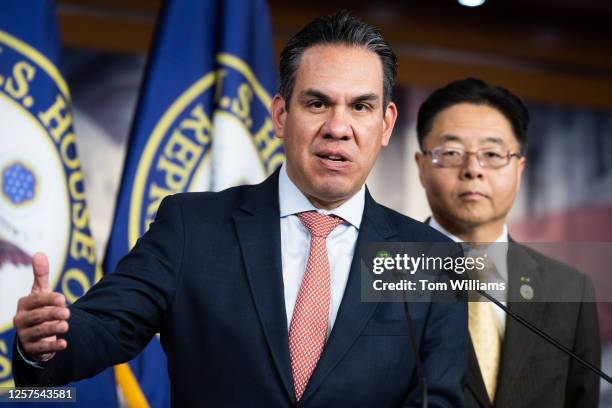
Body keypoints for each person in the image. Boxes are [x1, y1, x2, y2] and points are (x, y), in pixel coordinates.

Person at [12, 13, 468, 407]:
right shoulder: (192, 228)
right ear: (280, 115)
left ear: (386, 124)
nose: (338, 128)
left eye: (361, 107)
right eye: (317, 103)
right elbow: (103, 328)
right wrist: (45, 342)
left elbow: (440, 397)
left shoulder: (427, 259)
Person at [414, 77, 601, 408]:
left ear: (519, 169)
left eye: (492, 153)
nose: (473, 169)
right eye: (452, 152)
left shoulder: (569, 290)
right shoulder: (379, 276)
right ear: (422, 167)